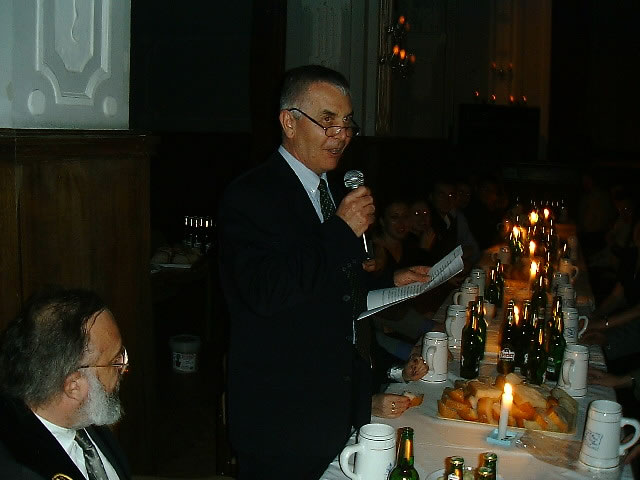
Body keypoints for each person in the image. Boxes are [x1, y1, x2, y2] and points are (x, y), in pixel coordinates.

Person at [218, 65, 429, 480]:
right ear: (289, 122)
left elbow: (328, 283)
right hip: (281, 414)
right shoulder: (251, 195)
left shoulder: (327, 189)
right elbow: (266, 292)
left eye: (347, 123)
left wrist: (387, 281)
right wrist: (342, 231)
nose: (341, 134)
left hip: (332, 403)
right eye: (327, 120)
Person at [0, 288, 131, 480]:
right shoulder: (22, 470)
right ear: (74, 386)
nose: (124, 365)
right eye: (114, 362)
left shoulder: (88, 409)